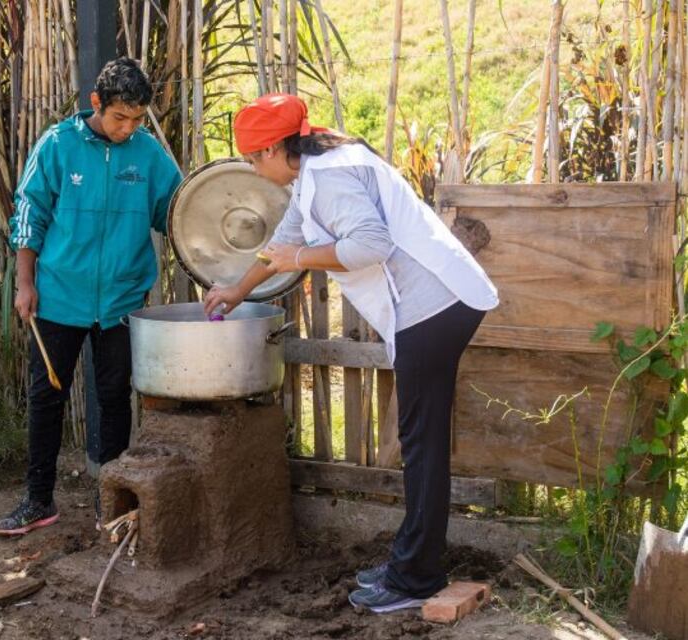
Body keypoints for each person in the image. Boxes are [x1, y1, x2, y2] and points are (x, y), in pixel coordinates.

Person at [203, 93, 499, 613]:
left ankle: (418, 578)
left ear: (274, 149)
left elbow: (371, 245)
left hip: (434, 307)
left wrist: (302, 257)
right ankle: (412, 561)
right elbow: (281, 246)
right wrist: (237, 289)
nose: (252, 168)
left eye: (252, 158)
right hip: (440, 302)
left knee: (422, 443)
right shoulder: (318, 170)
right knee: (421, 438)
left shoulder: (331, 180)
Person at [0, 57, 181, 536]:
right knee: (45, 397)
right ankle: (38, 500)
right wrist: (25, 283)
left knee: (115, 398)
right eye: (121, 117)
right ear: (97, 103)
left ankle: (112, 501)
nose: (128, 128)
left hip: (122, 300)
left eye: (138, 119)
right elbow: (27, 213)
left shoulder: (149, 155)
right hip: (58, 297)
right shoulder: (57, 145)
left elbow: (178, 213)